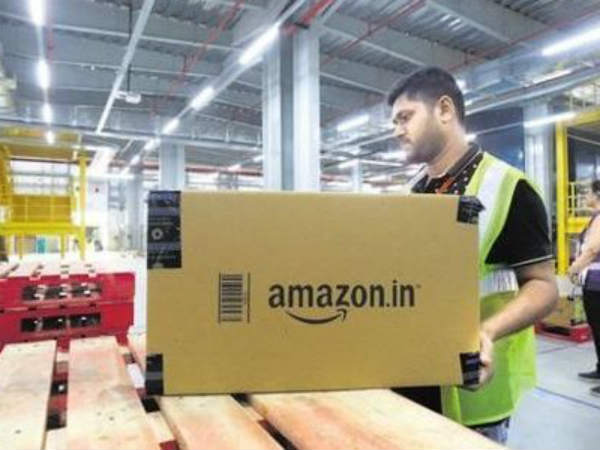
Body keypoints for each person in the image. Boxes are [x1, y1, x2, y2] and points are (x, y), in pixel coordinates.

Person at [388, 67, 558, 444]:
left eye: (405, 117)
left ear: (444, 110)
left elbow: (544, 286)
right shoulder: (410, 193)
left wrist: (486, 331)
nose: (397, 130)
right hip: (410, 383)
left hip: (473, 394)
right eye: (395, 121)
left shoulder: (507, 187)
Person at [568, 180, 600, 397]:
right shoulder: (594, 218)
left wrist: (574, 268)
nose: (584, 195)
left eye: (588, 192)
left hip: (597, 283)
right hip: (593, 282)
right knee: (596, 328)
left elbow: (592, 249)